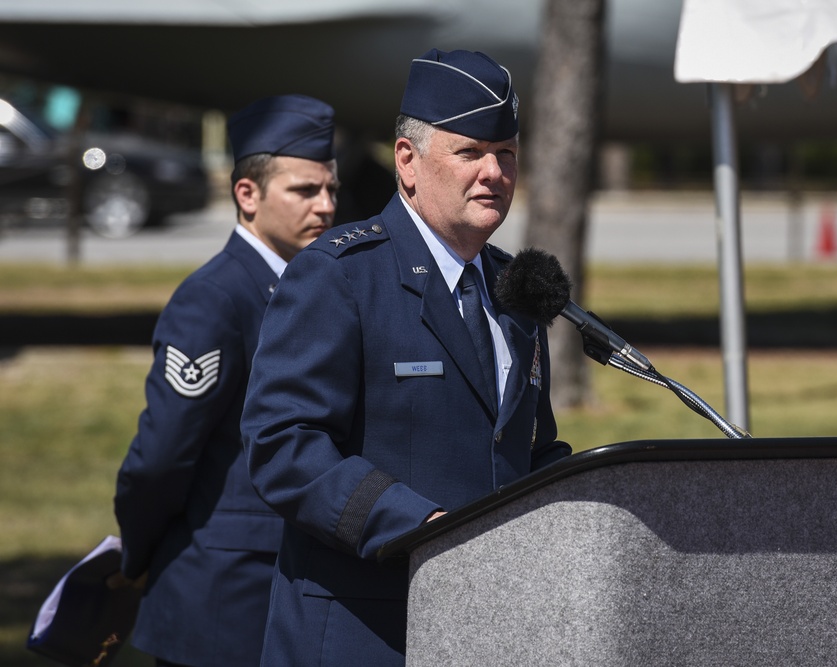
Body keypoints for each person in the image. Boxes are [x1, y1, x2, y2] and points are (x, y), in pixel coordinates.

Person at [241, 48, 573, 665]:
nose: (494, 174)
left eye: (505, 155)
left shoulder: (515, 290)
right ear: (407, 162)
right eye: (470, 153)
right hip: (365, 632)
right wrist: (421, 528)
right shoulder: (340, 277)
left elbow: (533, 450)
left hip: (490, 631)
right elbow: (284, 444)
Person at [113, 94, 339, 667]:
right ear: (248, 195)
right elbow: (161, 457)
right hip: (221, 593)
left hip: (294, 586)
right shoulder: (214, 299)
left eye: (331, 189)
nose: (327, 206)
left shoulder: (313, 287)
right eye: (305, 191)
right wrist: (138, 555)